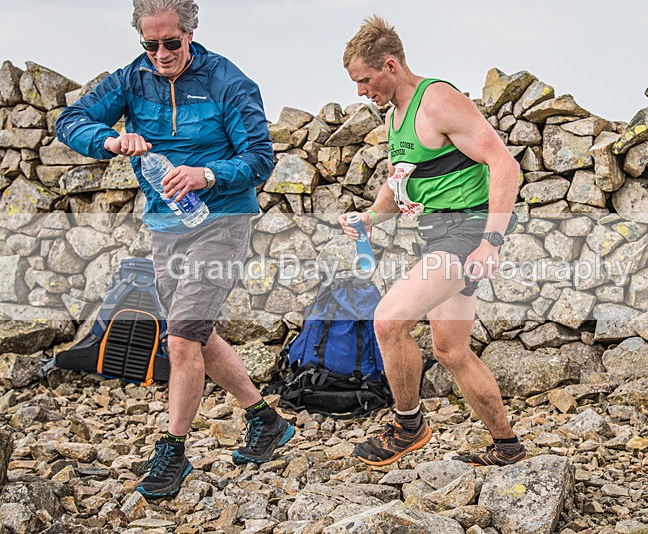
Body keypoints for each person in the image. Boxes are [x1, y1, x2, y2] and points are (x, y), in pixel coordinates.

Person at [55, 0, 293, 498]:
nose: (160, 54)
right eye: (150, 44)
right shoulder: (130, 79)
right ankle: (265, 420)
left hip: (222, 219)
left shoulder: (229, 82)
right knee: (198, 334)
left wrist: (206, 174)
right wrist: (110, 141)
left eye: (171, 43)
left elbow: (260, 158)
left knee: (181, 338)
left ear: (190, 34)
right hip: (165, 223)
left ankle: (172, 453)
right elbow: (70, 120)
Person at [338, 15, 527, 467]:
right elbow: (399, 181)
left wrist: (491, 242)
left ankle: (408, 425)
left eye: (365, 80)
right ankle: (508, 447)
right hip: (438, 235)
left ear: (390, 66)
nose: (361, 91)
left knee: (388, 321)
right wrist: (370, 218)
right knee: (450, 350)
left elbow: (505, 166)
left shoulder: (437, 99)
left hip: (464, 234)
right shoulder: (398, 115)